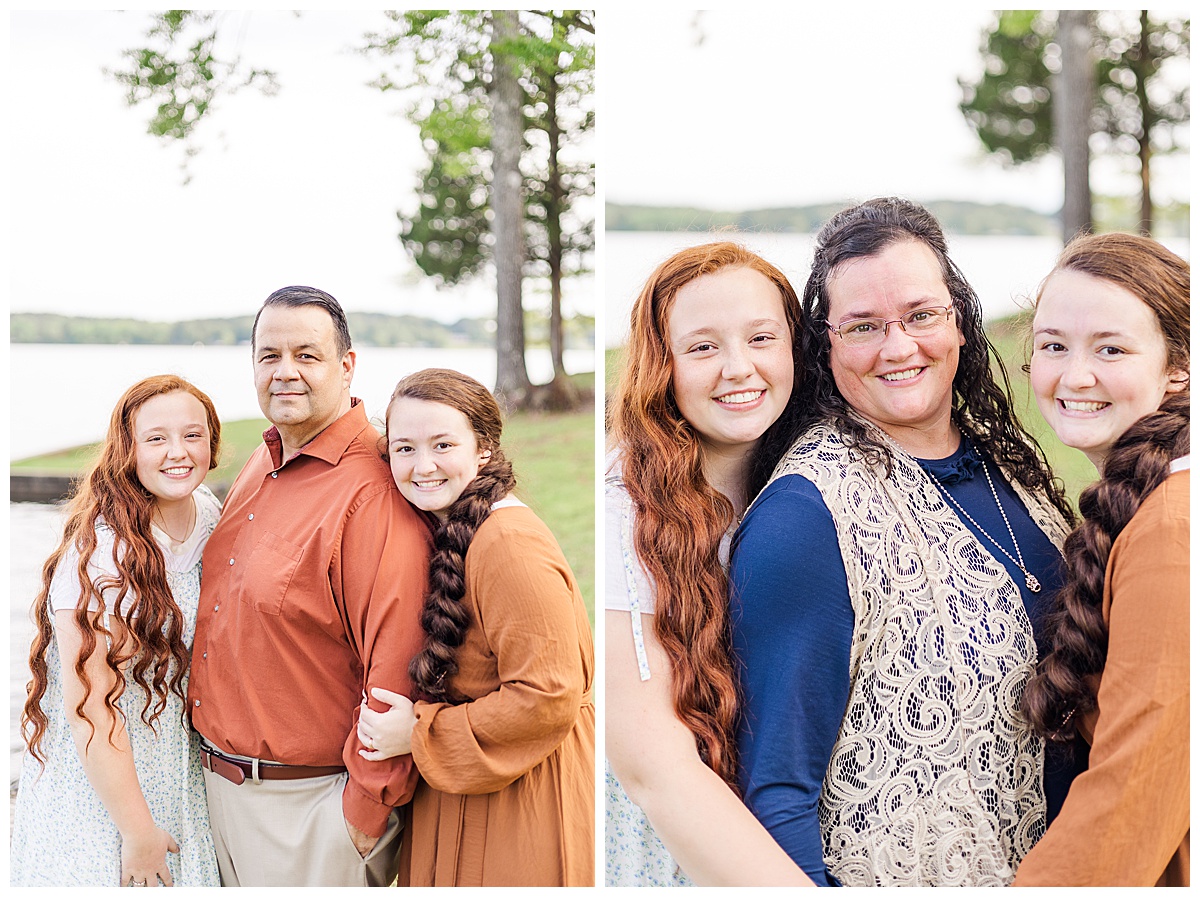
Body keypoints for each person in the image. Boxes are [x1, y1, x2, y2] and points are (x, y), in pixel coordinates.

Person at [731, 197, 1081, 886]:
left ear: (958, 320)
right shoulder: (806, 516)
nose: (898, 347)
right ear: (825, 345)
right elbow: (775, 789)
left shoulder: (1009, 466)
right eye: (863, 326)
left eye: (921, 315)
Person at [187, 286, 432, 887]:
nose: (285, 372)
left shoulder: (371, 489)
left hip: (310, 815)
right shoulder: (261, 460)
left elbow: (397, 660)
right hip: (220, 797)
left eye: (307, 354)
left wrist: (360, 817)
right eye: (269, 356)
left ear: (347, 365)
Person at [604, 242, 812, 886]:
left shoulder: (804, 482)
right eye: (702, 347)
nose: (738, 368)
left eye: (761, 338)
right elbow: (656, 771)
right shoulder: (624, 513)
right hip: (676, 861)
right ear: (660, 366)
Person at [354, 368, 594, 886]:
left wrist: (419, 732)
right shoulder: (460, 529)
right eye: (405, 448)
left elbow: (548, 694)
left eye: (443, 444)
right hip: (471, 787)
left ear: (483, 448)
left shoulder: (506, 543)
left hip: (521, 798)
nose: (423, 466)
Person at [1013, 233, 1189, 886]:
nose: (1074, 375)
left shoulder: (1174, 525)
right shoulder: (1149, 498)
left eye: (1110, 348)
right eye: (1054, 345)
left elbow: (1135, 788)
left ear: (1179, 366)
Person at [11, 375, 223, 886]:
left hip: (180, 776)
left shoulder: (211, 517)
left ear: (213, 443)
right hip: (105, 791)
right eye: (156, 438)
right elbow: (89, 711)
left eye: (193, 435)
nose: (178, 452)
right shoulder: (99, 560)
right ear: (127, 449)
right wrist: (137, 831)